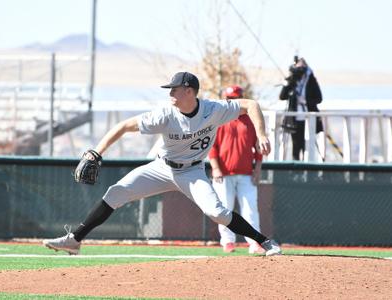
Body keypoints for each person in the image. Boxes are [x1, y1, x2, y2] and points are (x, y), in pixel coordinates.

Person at [43, 71, 281, 256]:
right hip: (161, 168)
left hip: (192, 172)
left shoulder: (213, 109)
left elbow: (251, 105)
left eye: (174, 89)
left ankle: (264, 241)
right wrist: (97, 151)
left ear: (189, 92)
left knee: (216, 212)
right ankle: (75, 240)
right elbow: (124, 126)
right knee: (116, 193)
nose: (170, 94)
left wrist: (261, 135)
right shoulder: (165, 114)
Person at [208, 85, 264, 254]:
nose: (232, 102)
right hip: (223, 174)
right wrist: (215, 168)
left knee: (250, 208)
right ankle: (227, 241)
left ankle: (255, 243)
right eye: (229, 99)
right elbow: (212, 148)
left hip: (246, 173)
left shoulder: (251, 120)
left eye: (235, 98)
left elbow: (258, 148)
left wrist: (258, 169)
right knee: (225, 208)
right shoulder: (218, 120)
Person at [279, 57, 323, 160]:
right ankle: (296, 167)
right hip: (294, 119)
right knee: (296, 145)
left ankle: (308, 165)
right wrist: (287, 84)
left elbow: (319, 98)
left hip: (308, 118)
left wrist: (305, 101)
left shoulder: (311, 80)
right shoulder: (292, 80)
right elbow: (282, 96)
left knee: (307, 145)